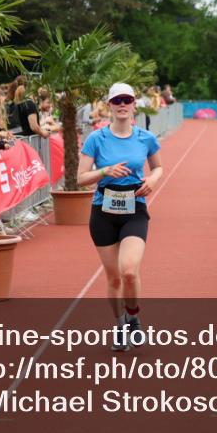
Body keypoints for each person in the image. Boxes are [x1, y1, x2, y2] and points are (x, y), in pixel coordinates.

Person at [77, 83, 163, 352]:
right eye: (117, 101)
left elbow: (158, 167)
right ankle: (119, 325)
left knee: (128, 270)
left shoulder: (145, 138)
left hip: (134, 210)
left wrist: (153, 180)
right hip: (103, 212)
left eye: (127, 100)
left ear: (134, 104)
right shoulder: (96, 139)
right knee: (113, 278)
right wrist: (105, 171)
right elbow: (80, 179)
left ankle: (134, 318)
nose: (122, 105)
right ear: (109, 105)